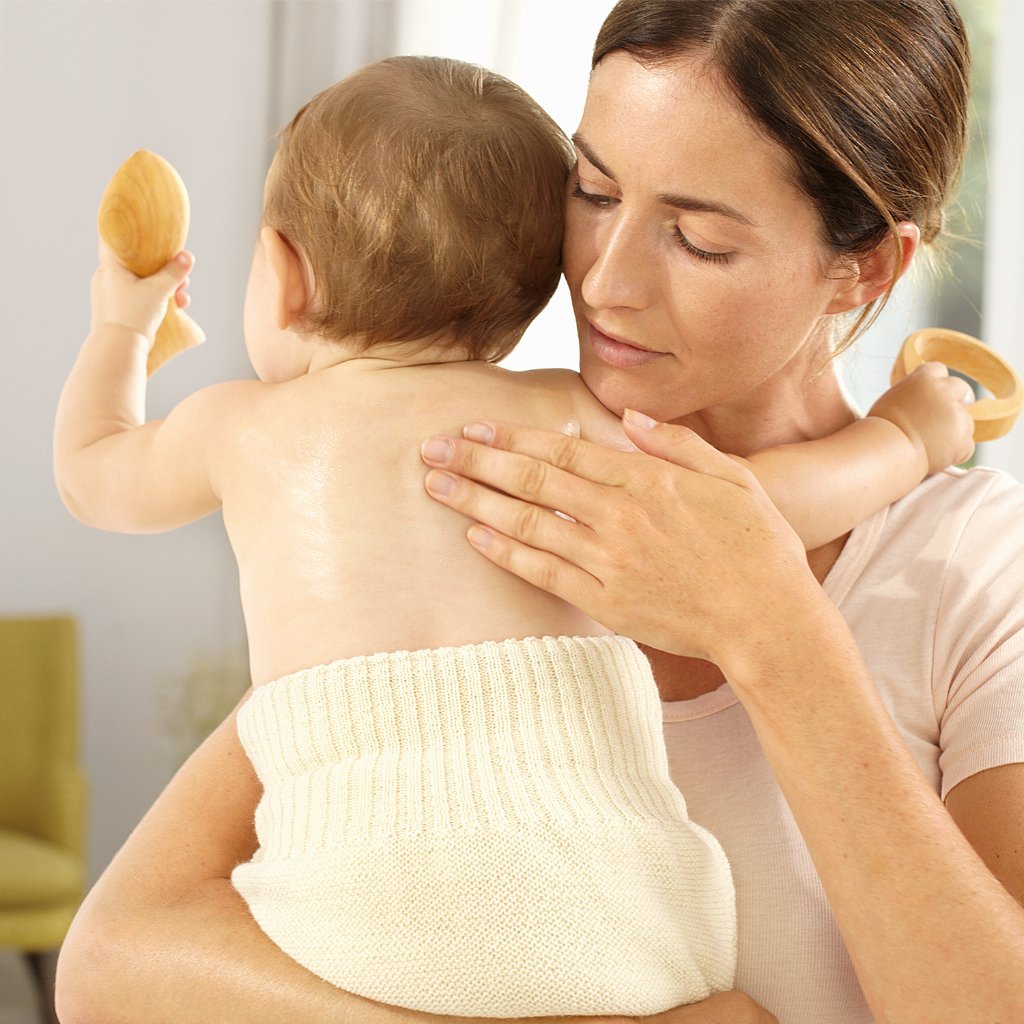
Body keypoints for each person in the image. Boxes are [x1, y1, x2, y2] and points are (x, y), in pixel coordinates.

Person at [52, 2, 1023, 1023]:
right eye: (591, 190)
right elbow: (113, 963)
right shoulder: (473, 481)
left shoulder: (971, 571)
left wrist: (776, 633)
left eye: (695, 239)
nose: (603, 281)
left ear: (868, 266)